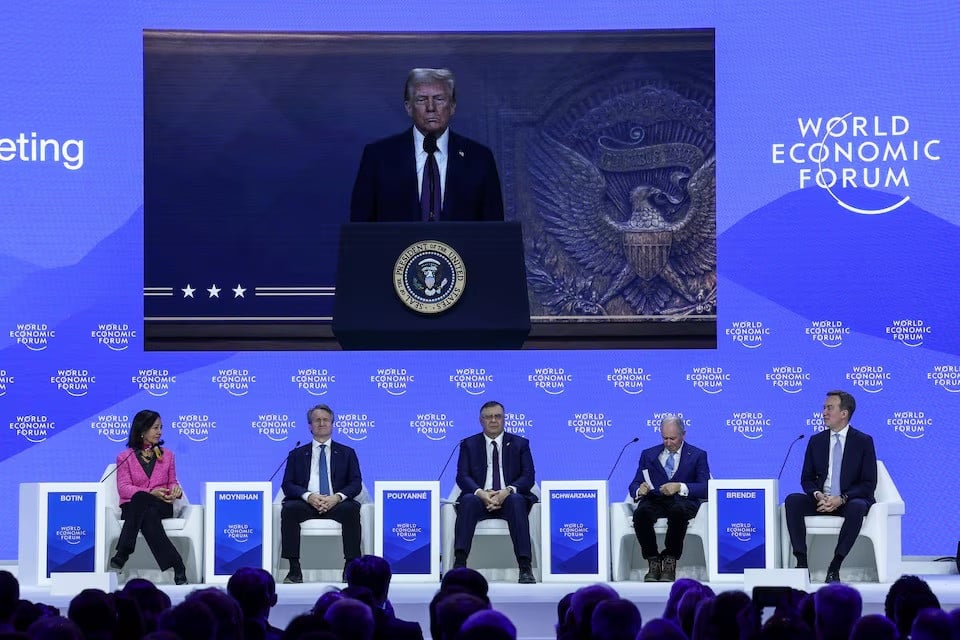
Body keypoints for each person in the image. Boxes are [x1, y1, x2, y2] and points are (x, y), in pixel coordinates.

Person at [350, 67, 504, 223]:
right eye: (422, 99)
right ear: (408, 107)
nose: (431, 108)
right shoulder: (378, 157)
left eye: (439, 99)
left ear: (452, 107)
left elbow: (494, 233)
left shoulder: (479, 158)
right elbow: (360, 230)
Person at [785, 390, 877, 583]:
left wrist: (841, 498)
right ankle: (801, 563)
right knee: (793, 500)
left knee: (858, 506)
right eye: (824, 408)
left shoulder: (863, 441)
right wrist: (818, 494)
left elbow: (868, 483)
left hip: (848, 501)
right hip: (822, 500)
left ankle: (835, 566)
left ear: (844, 413)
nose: (824, 412)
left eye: (829, 408)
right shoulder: (816, 441)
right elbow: (806, 479)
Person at [453, 400, 537, 583]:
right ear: (480, 420)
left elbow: (528, 476)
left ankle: (525, 568)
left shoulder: (520, 444)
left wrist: (506, 491)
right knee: (468, 500)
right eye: (488, 417)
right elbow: (462, 476)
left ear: (504, 419)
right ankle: (459, 565)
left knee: (516, 501)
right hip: (480, 499)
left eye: (497, 416)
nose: (493, 420)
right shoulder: (469, 444)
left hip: (509, 498)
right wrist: (481, 493)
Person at [280, 404, 363, 584]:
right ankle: (294, 569)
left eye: (326, 420)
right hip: (307, 503)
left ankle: (350, 567)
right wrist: (309, 496)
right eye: (317, 420)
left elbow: (356, 483)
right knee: (289, 510)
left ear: (332, 424)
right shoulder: (296, 454)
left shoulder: (347, 453)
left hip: (337, 502)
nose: (322, 423)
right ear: (310, 426)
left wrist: (337, 497)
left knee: (352, 510)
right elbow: (287, 485)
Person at [108, 410, 188, 585]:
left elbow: (172, 482)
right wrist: (148, 493)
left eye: (161, 428)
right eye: (155, 428)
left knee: (143, 502)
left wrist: (176, 491)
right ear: (142, 430)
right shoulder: (125, 457)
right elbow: (123, 489)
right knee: (142, 503)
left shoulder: (168, 456)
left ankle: (123, 553)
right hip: (134, 507)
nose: (159, 432)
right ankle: (178, 565)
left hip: (161, 505)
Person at [629, 415, 710, 582]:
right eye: (664, 438)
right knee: (640, 514)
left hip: (682, 501)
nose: (668, 442)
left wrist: (680, 486)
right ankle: (653, 560)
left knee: (678, 511)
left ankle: (669, 560)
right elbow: (635, 482)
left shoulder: (697, 455)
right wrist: (639, 489)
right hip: (655, 500)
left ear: (683, 435)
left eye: (672, 438)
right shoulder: (648, 455)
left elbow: (706, 487)